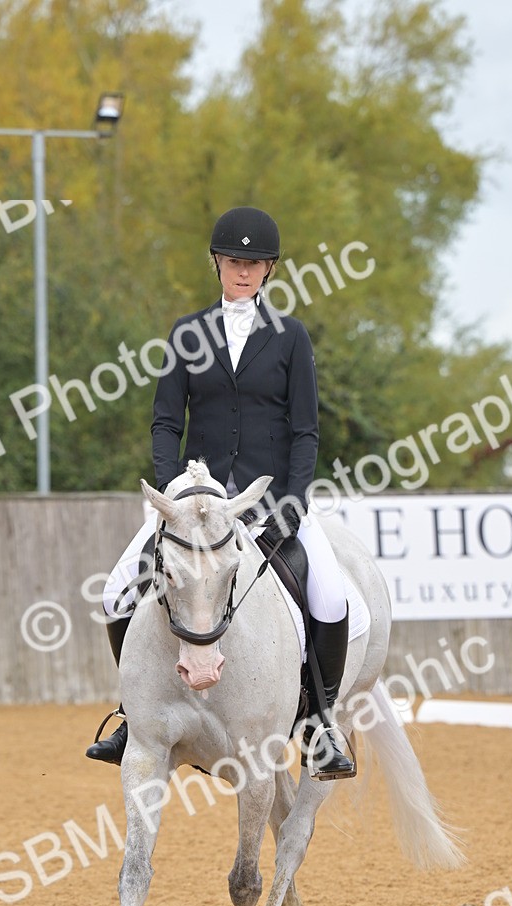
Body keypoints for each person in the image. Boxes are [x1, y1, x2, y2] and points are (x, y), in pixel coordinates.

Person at [86, 206, 353, 778]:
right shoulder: (188, 333)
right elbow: (165, 422)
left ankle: (319, 724)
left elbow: (305, 430)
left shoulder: (289, 337)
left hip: (270, 498)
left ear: (270, 270)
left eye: (255, 264)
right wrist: (173, 497)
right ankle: (134, 716)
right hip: (193, 503)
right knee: (114, 594)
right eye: (235, 260)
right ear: (217, 262)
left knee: (329, 597)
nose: (244, 271)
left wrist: (292, 501)